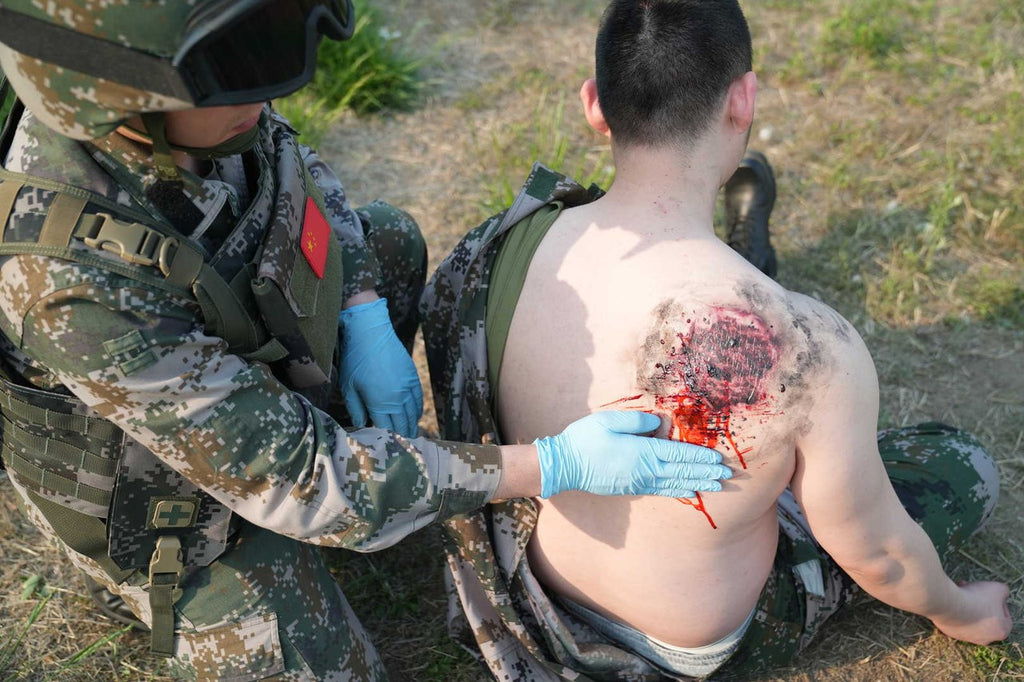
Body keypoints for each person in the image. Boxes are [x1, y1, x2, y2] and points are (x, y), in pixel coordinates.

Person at [0, 2, 733, 679]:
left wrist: (362, 311)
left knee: (385, 242)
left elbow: (296, 169)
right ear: (118, 96)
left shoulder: (205, 93)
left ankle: (378, 473)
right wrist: (552, 465)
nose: (264, 94)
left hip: (245, 383)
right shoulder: (73, 282)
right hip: (178, 510)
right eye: (236, 82)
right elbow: (303, 478)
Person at [419, 1, 1012, 679]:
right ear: (742, 100)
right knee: (959, 463)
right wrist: (960, 610)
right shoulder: (813, 348)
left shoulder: (499, 246)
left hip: (517, 588)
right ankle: (745, 275)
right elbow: (878, 553)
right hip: (669, 652)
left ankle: (743, 272)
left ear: (595, 105)